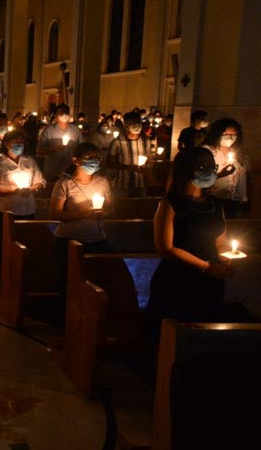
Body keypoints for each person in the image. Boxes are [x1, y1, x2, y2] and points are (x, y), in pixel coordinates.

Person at [144, 147, 234, 341]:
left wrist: (227, 261)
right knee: (173, 338)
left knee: (205, 334)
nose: (208, 170)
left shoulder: (215, 204)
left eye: (211, 166)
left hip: (209, 279)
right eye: (202, 166)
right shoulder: (170, 204)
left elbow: (221, 241)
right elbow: (165, 248)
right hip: (178, 278)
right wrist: (205, 266)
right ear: (186, 169)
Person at [50, 142, 113, 290]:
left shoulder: (103, 182)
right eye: (89, 158)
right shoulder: (65, 183)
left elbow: (111, 208)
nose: (94, 161)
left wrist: (103, 213)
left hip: (96, 239)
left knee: (94, 281)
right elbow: (55, 213)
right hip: (69, 241)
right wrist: (84, 213)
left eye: (97, 158)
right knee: (68, 282)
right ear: (76, 160)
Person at [0, 131, 46, 255]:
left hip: (27, 209)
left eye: (21, 142)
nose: (19, 144)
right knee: (6, 242)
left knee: (25, 241)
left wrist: (33, 188)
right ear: (6, 144)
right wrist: (14, 191)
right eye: (16, 142)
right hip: (6, 210)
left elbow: (40, 182)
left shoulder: (29, 161)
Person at [202, 118, 250, 217]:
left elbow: (243, 178)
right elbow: (200, 178)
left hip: (233, 201)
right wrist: (220, 174)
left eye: (233, 134)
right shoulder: (207, 151)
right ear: (217, 134)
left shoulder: (239, 154)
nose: (230, 138)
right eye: (226, 134)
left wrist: (243, 198)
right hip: (211, 200)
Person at [106, 111, 152, 198]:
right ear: (125, 125)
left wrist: (147, 167)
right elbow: (108, 163)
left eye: (138, 122)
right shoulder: (118, 141)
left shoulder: (146, 141)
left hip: (140, 184)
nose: (136, 125)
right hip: (122, 185)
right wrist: (129, 168)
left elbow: (149, 159)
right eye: (133, 123)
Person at [37, 104, 81, 182]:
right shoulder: (48, 130)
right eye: (61, 113)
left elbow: (82, 147)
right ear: (56, 116)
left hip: (70, 171)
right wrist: (54, 149)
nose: (64, 115)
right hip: (52, 171)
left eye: (66, 112)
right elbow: (39, 150)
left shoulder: (75, 130)